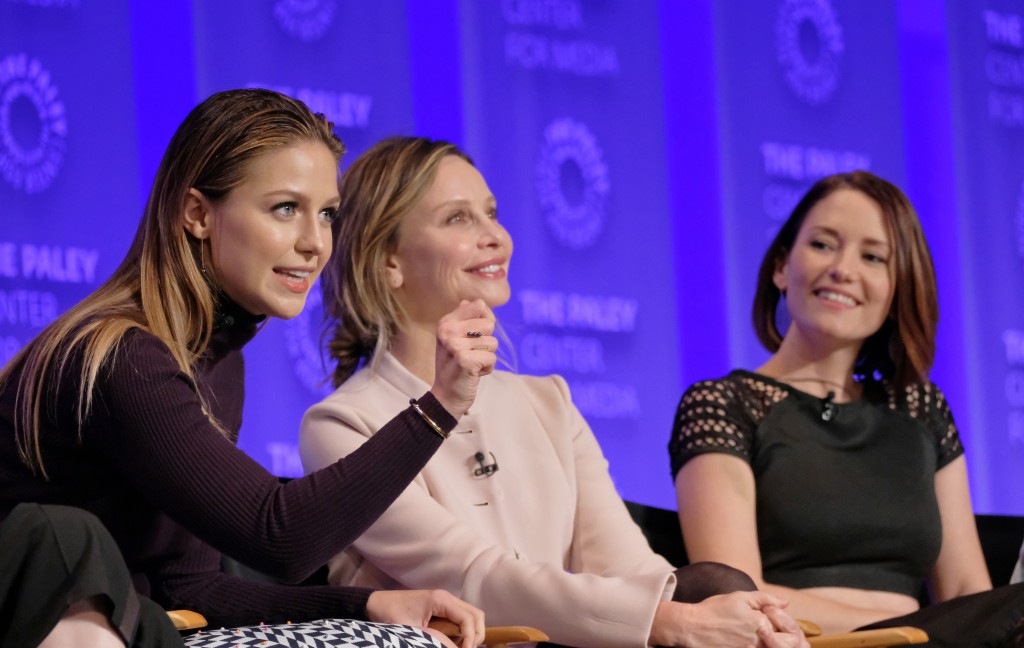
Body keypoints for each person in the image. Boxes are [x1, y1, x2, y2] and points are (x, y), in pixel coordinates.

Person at [0, 89, 490, 648]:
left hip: (128, 625)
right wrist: (439, 406)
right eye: (286, 208)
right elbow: (280, 536)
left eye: (327, 214)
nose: (314, 243)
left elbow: (188, 585)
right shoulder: (121, 356)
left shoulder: (218, 364)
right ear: (198, 215)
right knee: (68, 539)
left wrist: (365, 605)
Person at [299, 136, 809, 648]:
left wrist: (730, 618)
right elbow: (475, 578)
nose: (496, 236)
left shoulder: (549, 402)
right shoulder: (343, 426)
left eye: (491, 213)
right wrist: (672, 625)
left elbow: (626, 565)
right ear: (390, 261)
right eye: (458, 218)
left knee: (718, 590)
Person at [670, 171, 1024, 645]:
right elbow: (736, 598)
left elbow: (967, 593)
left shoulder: (922, 409)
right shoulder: (722, 405)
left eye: (873, 257)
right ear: (781, 266)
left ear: (897, 289)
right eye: (822, 245)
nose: (843, 268)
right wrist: (903, 619)